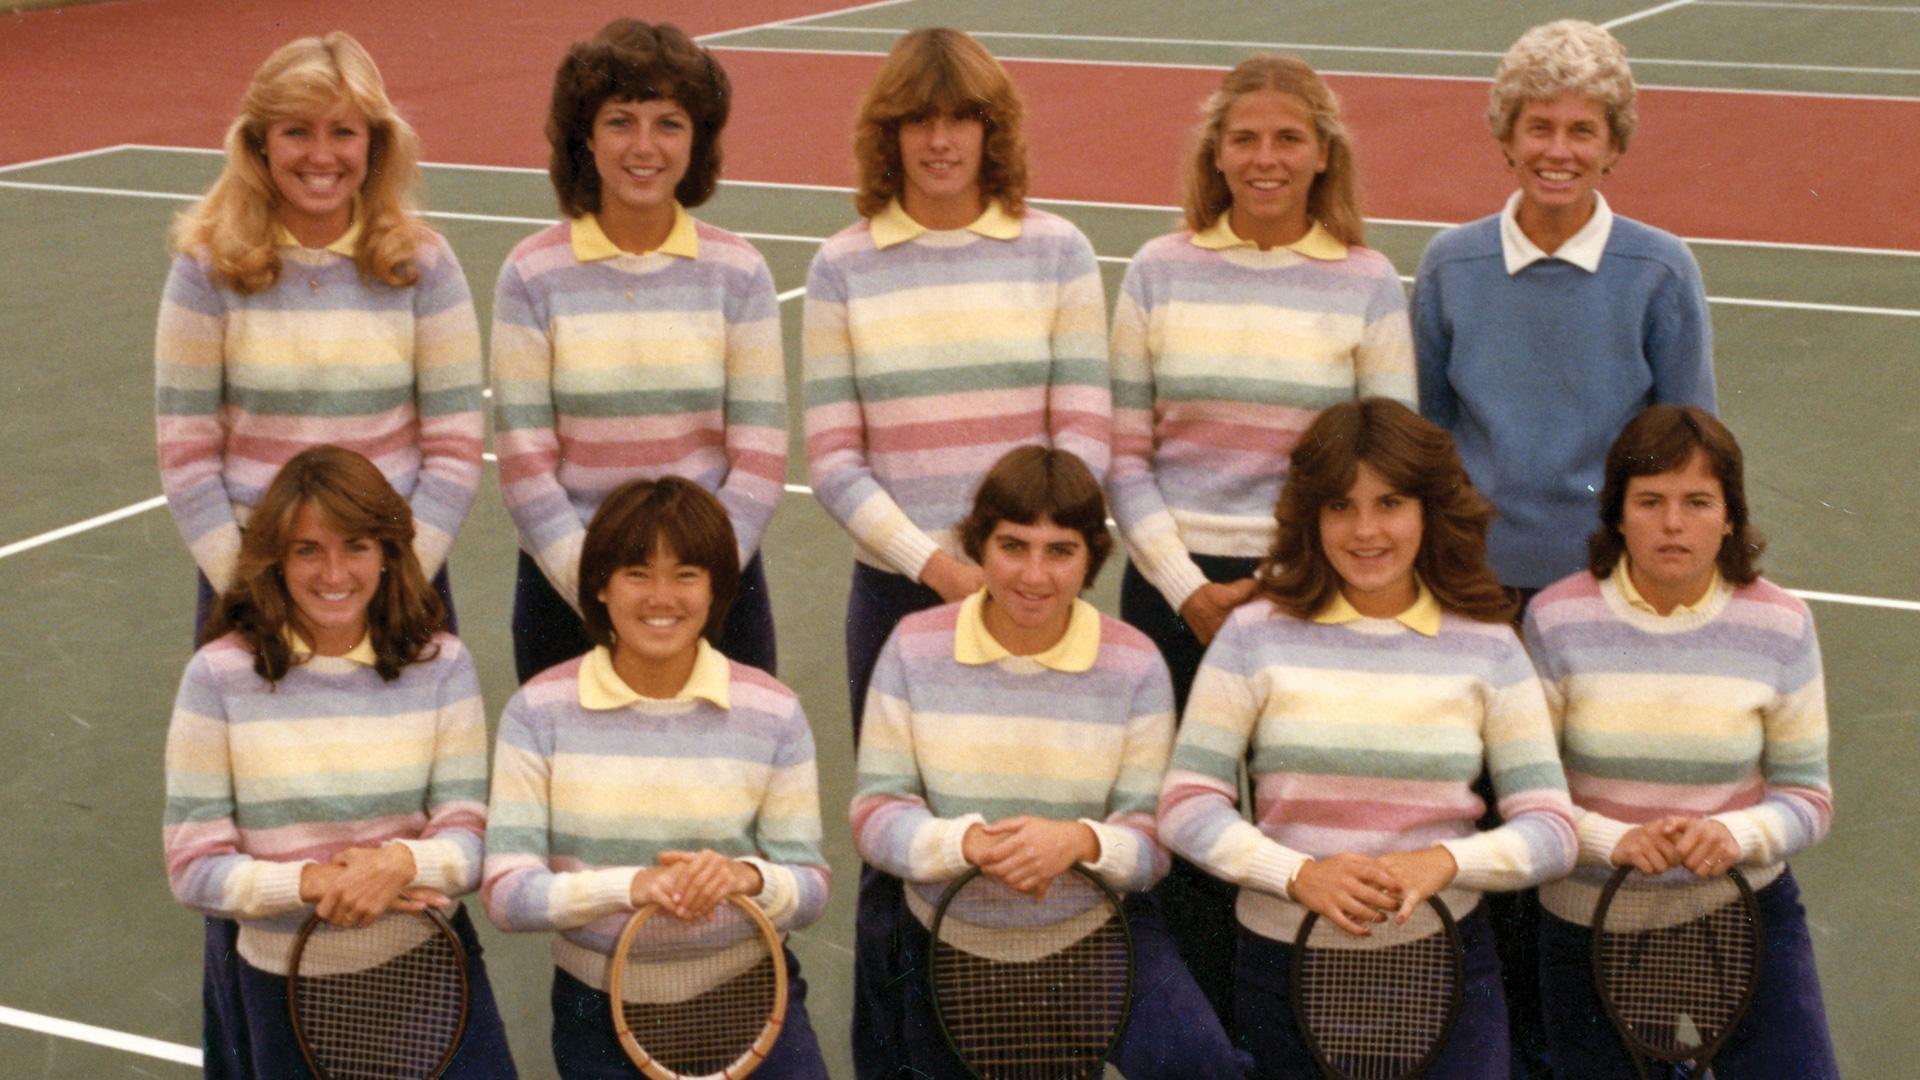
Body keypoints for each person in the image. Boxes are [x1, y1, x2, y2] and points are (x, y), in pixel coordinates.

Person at [799, 28, 1110, 1075]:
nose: (940, 141)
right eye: (918, 121)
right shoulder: (843, 265)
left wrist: (1028, 575)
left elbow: (1085, 441)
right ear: (889, 136)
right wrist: (940, 569)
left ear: (992, 132)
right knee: (903, 853)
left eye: (961, 119)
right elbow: (836, 461)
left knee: (1040, 838)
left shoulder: (1057, 251)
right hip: (901, 608)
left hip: (1039, 602)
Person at [1409, 23, 1714, 1071]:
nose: (1559, 148)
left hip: (1604, 606)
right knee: (1502, 834)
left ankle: (1612, 1044)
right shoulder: (1449, 267)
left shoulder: (1659, 271)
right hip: (1483, 601)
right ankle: (1499, 1047)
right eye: (1540, 125)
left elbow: (1688, 444)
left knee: (1595, 841)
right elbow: (1429, 439)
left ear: (1612, 144)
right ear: (1507, 135)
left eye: (1583, 129)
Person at [1107, 53, 1415, 1033]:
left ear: (1323, 154)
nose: (1265, 157)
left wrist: (1293, 581)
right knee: (1186, 831)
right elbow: (1124, 458)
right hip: (1174, 590)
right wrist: (1188, 585)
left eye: (1288, 138)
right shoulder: (1158, 271)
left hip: (1312, 597)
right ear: (1218, 151)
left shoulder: (1365, 283)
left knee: (1291, 823)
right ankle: (1204, 1040)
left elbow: (1384, 463)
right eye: (1246, 138)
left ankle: (1293, 1028)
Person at [1159, 398, 1578, 1080]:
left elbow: (1553, 829)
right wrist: (1298, 875)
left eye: (1390, 504)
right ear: (1311, 515)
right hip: (1283, 971)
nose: (1365, 531)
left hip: (1447, 974)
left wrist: (1443, 862)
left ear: (1429, 511)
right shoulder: (1251, 636)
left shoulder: (1490, 649)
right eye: (1340, 507)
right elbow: (1186, 805)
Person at [851, 446, 1246, 1078]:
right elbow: (876, 813)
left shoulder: (1136, 663)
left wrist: (1078, 841)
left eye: (1060, 550)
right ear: (978, 545)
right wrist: (970, 844)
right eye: (1013, 546)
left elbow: (1151, 838)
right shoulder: (911, 648)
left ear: (1092, 557)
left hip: (1098, 938)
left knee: (1204, 1065)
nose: (1034, 575)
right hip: (950, 946)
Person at [162, 445, 513, 1078]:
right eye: (307, 550)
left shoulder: (443, 664)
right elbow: (193, 867)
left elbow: (473, 833)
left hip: (435, 980)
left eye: (355, 546)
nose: (334, 572)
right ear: (275, 557)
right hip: (283, 998)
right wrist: (315, 882)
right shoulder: (218, 678)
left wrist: (402, 862)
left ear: (388, 552)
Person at [1524, 405, 1838, 1079]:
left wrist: (1736, 834)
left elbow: (1807, 798)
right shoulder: (1555, 618)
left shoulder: (1781, 624)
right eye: (1650, 501)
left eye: (1698, 501)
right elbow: (1530, 800)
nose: (1673, 523)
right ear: (1616, 514)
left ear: (1729, 516)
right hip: (1589, 926)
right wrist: (1615, 841)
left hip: (1741, 916)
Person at [482, 476, 830, 1079]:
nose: (661, 597)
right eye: (637, 573)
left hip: (754, 997)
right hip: (599, 1010)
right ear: (601, 585)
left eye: (686, 574)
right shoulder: (537, 711)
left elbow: (810, 886)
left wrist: (743, 877)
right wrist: (630, 887)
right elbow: (506, 894)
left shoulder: (773, 710)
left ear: (717, 586)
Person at [155, 32, 483, 637]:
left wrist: (397, 581)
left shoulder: (425, 265)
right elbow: (187, 450)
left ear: (375, 142)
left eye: (343, 131)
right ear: (260, 143)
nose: (321, 155)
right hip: (252, 593)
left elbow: (455, 447)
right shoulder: (206, 268)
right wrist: (251, 591)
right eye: (296, 131)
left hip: (398, 588)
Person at [493, 19, 785, 683]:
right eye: (621, 120)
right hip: (566, 596)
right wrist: (601, 596)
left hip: (716, 595)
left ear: (698, 140)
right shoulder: (530, 274)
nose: (644, 146)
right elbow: (524, 462)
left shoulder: (739, 272)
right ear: (585, 137)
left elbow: (761, 455)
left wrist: (696, 588)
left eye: (669, 123)